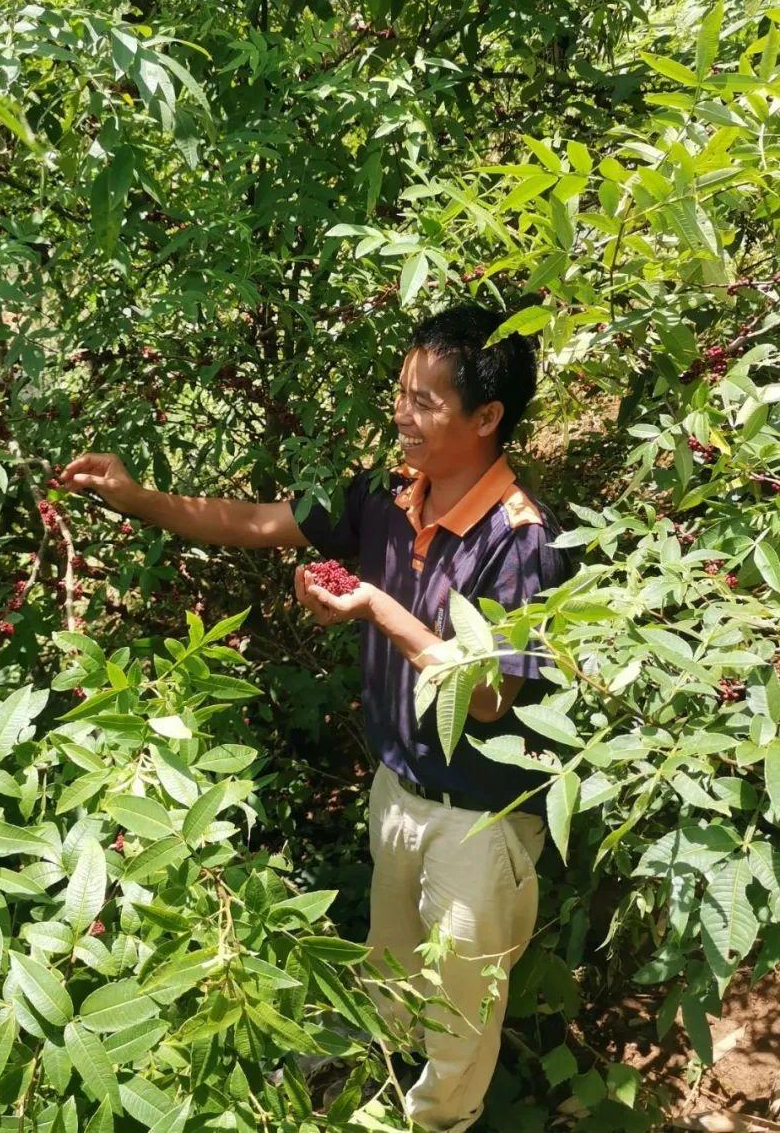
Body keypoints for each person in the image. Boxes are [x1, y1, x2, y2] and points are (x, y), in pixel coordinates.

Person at [59, 301, 575, 1132]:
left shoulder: (524, 542)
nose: (402, 417)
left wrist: (375, 607)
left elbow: (485, 694)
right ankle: (369, 1092)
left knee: (461, 1026)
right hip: (400, 791)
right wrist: (133, 496)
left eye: (425, 403)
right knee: (390, 971)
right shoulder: (386, 492)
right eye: (400, 394)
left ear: (488, 418)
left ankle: (439, 1122)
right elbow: (258, 522)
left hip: (482, 826)